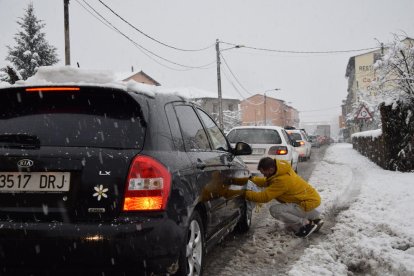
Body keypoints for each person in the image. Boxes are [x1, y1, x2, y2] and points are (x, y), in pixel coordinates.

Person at [229, 157, 323, 238]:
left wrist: (242, 193)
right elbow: (267, 182)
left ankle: (304, 225)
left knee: (275, 210)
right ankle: (314, 219)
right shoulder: (281, 171)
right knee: (288, 208)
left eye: (264, 173)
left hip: (308, 206)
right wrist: (250, 179)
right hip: (313, 204)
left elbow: (264, 197)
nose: (264, 175)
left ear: (270, 169)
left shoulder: (282, 180)